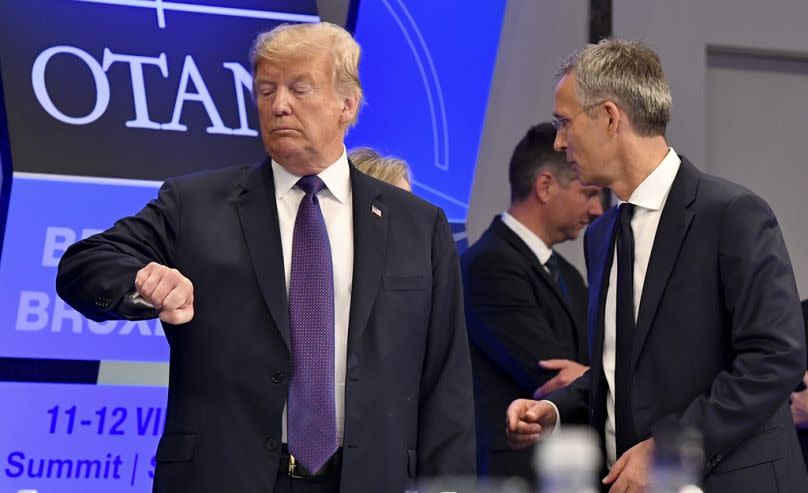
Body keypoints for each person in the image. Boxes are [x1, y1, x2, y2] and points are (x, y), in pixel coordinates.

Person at [56, 22, 475, 493]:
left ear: (347, 105)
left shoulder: (418, 225)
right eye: (265, 90)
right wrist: (143, 282)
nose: (278, 106)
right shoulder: (196, 203)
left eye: (299, 89)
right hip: (224, 477)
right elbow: (83, 263)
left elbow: (447, 383)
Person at [505, 39, 807, 492]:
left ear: (609, 117)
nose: (559, 140)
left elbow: (775, 360)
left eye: (564, 123)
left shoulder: (732, 214)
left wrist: (668, 449)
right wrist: (554, 410)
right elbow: (620, 370)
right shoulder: (602, 235)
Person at [461, 122, 602, 482]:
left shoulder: (569, 275)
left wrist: (588, 374)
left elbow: (590, 363)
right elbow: (549, 377)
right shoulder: (489, 265)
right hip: (516, 477)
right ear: (545, 186)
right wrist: (598, 376)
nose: (599, 209)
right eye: (589, 193)